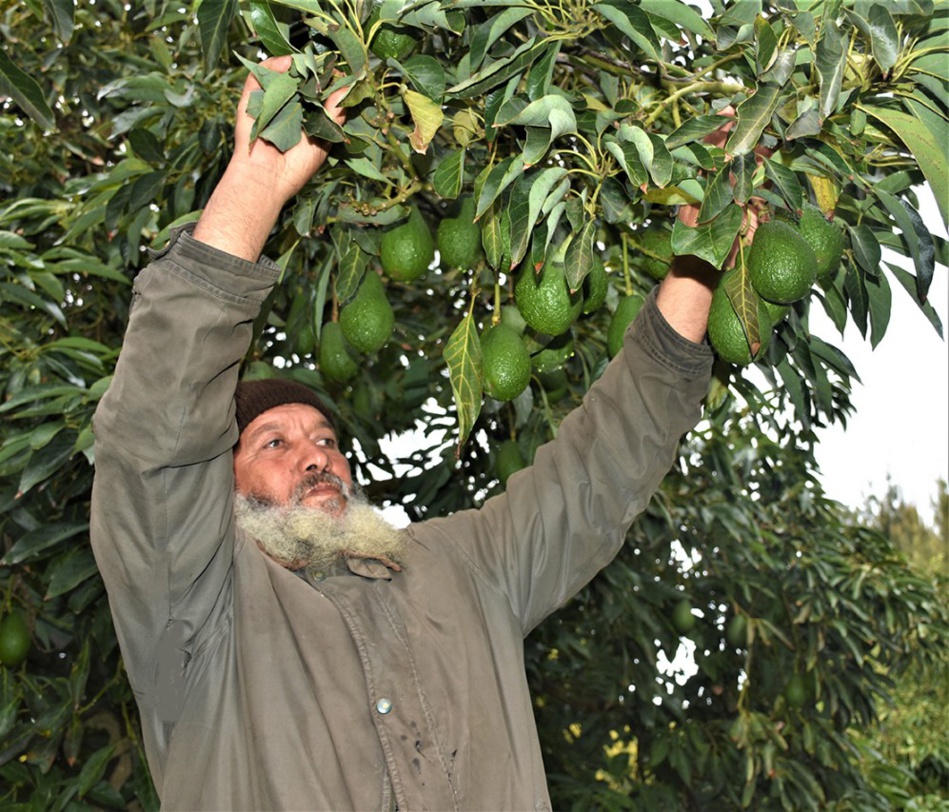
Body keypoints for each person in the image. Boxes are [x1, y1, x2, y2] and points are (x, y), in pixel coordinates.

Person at [90, 57, 726, 811]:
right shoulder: (192, 620)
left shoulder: (460, 569)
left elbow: (597, 477)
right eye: (274, 444)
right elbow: (156, 442)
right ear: (217, 488)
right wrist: (254, 188)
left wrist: (702, 255)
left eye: (325, 440)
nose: (315, 458)